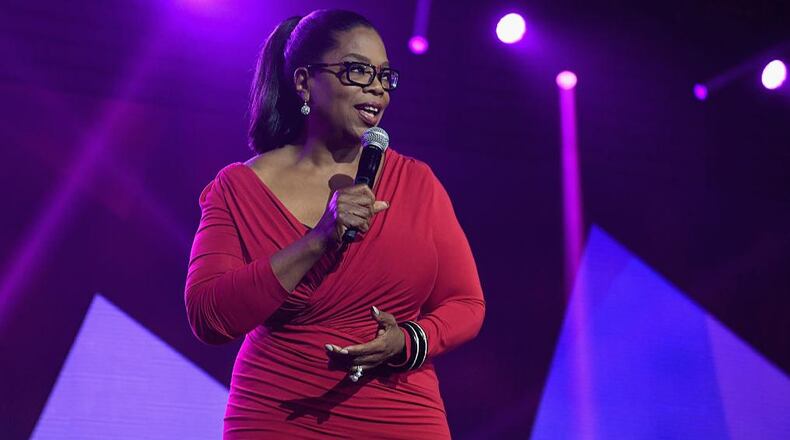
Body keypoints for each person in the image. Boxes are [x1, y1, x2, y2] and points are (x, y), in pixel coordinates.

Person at [184, 9, 485, 438]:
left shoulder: (416, 182)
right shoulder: (237, 188)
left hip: (400, 414)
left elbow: (467, 304)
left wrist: (407, 342)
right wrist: (319, 238)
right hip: (280, 414)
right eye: (358, 71)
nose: (377, 88)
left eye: (384, 75)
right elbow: (208, 315)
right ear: (304, 81)